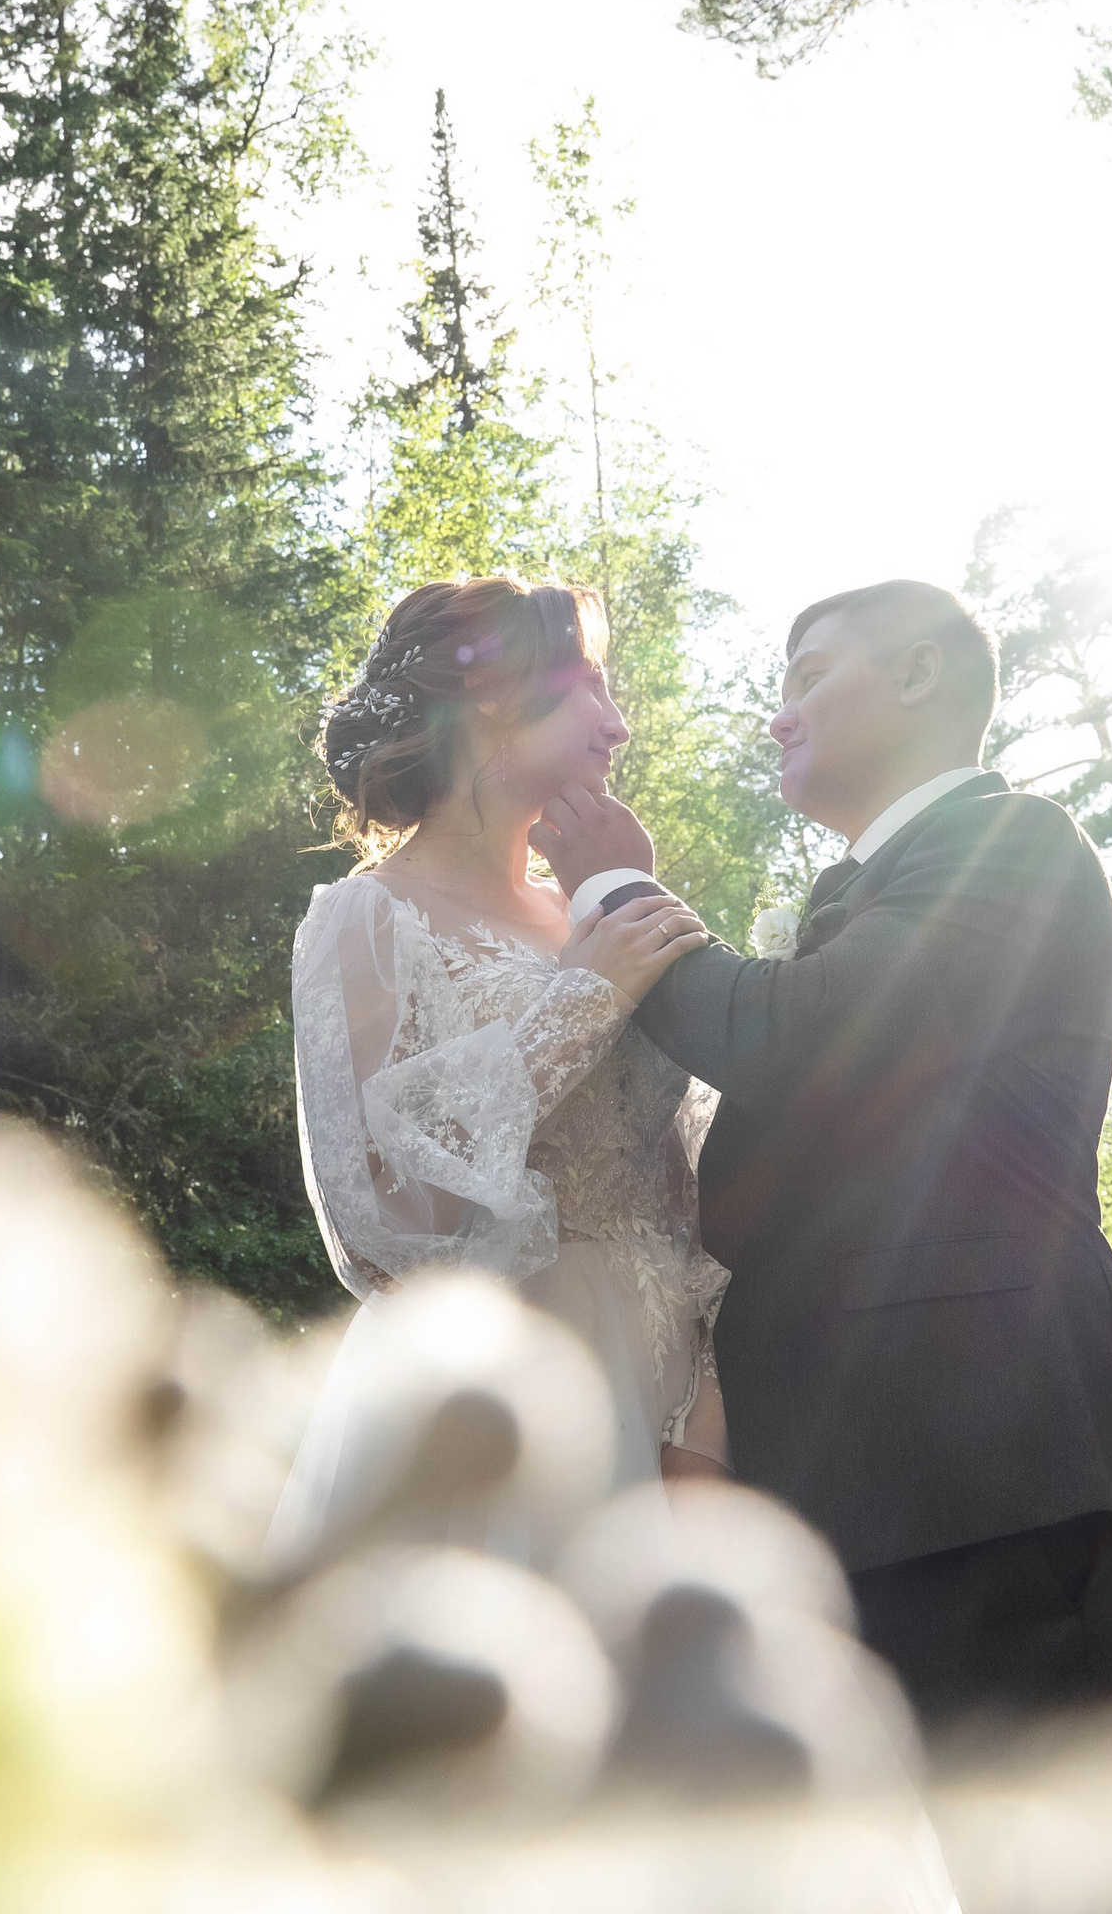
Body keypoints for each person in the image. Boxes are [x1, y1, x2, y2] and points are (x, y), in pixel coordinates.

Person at [531, 578, 1112, 1782]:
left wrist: (618, 887)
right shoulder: (884, 892)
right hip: (890, 1489)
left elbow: (797, 1038)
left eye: (806, 676)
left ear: (921, 676)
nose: (776, 716)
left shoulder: (1012, 847)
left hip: (996, 1478)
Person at [269, 578, 723, 1566]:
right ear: (491, 702)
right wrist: (581, 999)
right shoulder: (364, 919)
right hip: (500, 1395)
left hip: (677, 1399)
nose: (619, 727)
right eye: (590, 690)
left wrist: (711, 1399)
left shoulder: (599, 910)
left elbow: (697, 1178)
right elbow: (380, 1223)